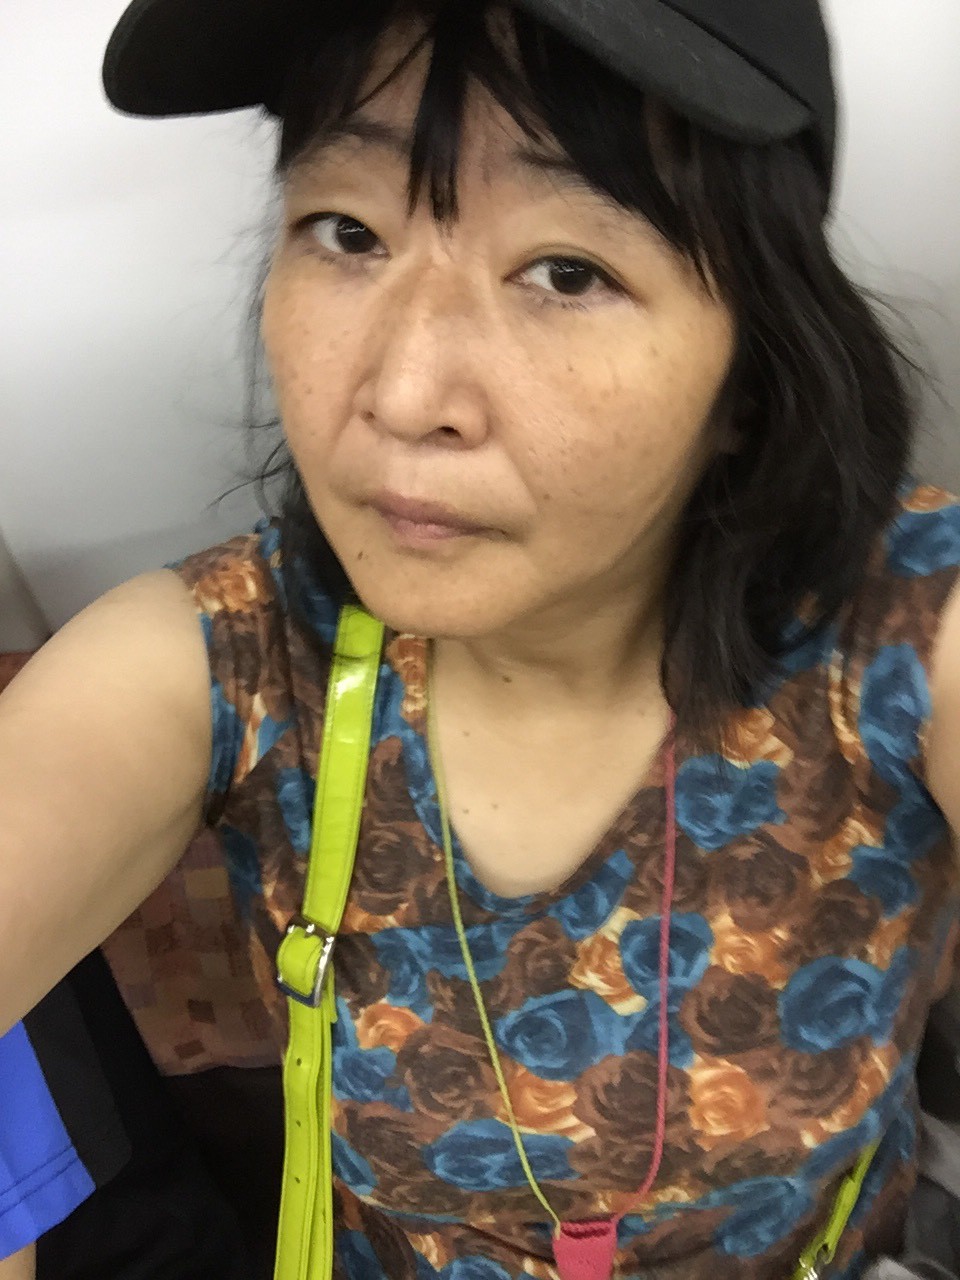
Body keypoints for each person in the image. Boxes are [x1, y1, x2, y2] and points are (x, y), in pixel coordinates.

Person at [1, 0, 959, 1276]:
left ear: (752, 374)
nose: (403, 394)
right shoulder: (232, 662)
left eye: (568, 271)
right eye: (348, 232)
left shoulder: (905, 630)